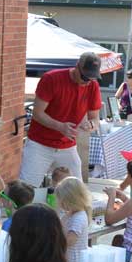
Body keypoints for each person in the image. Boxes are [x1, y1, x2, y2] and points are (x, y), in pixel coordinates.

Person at [19, 51, 102, 187]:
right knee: (26, 189)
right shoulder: (51, 79)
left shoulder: (93, 86)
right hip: (40, 144)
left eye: (91, 78)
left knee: (76, 190)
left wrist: (92, 124)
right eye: (84, 77)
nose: (87, 82)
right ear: (77, 67)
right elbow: (38, 113)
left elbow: (95, 118)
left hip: (67, 146)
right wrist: (60, 126)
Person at [55, 177, 92, 262]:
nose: (60, 204)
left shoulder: (78, 218)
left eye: (62, 201)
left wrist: (53, 241)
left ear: (72, 200)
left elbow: (70, 240)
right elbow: (59, 225)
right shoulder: (71, 213)